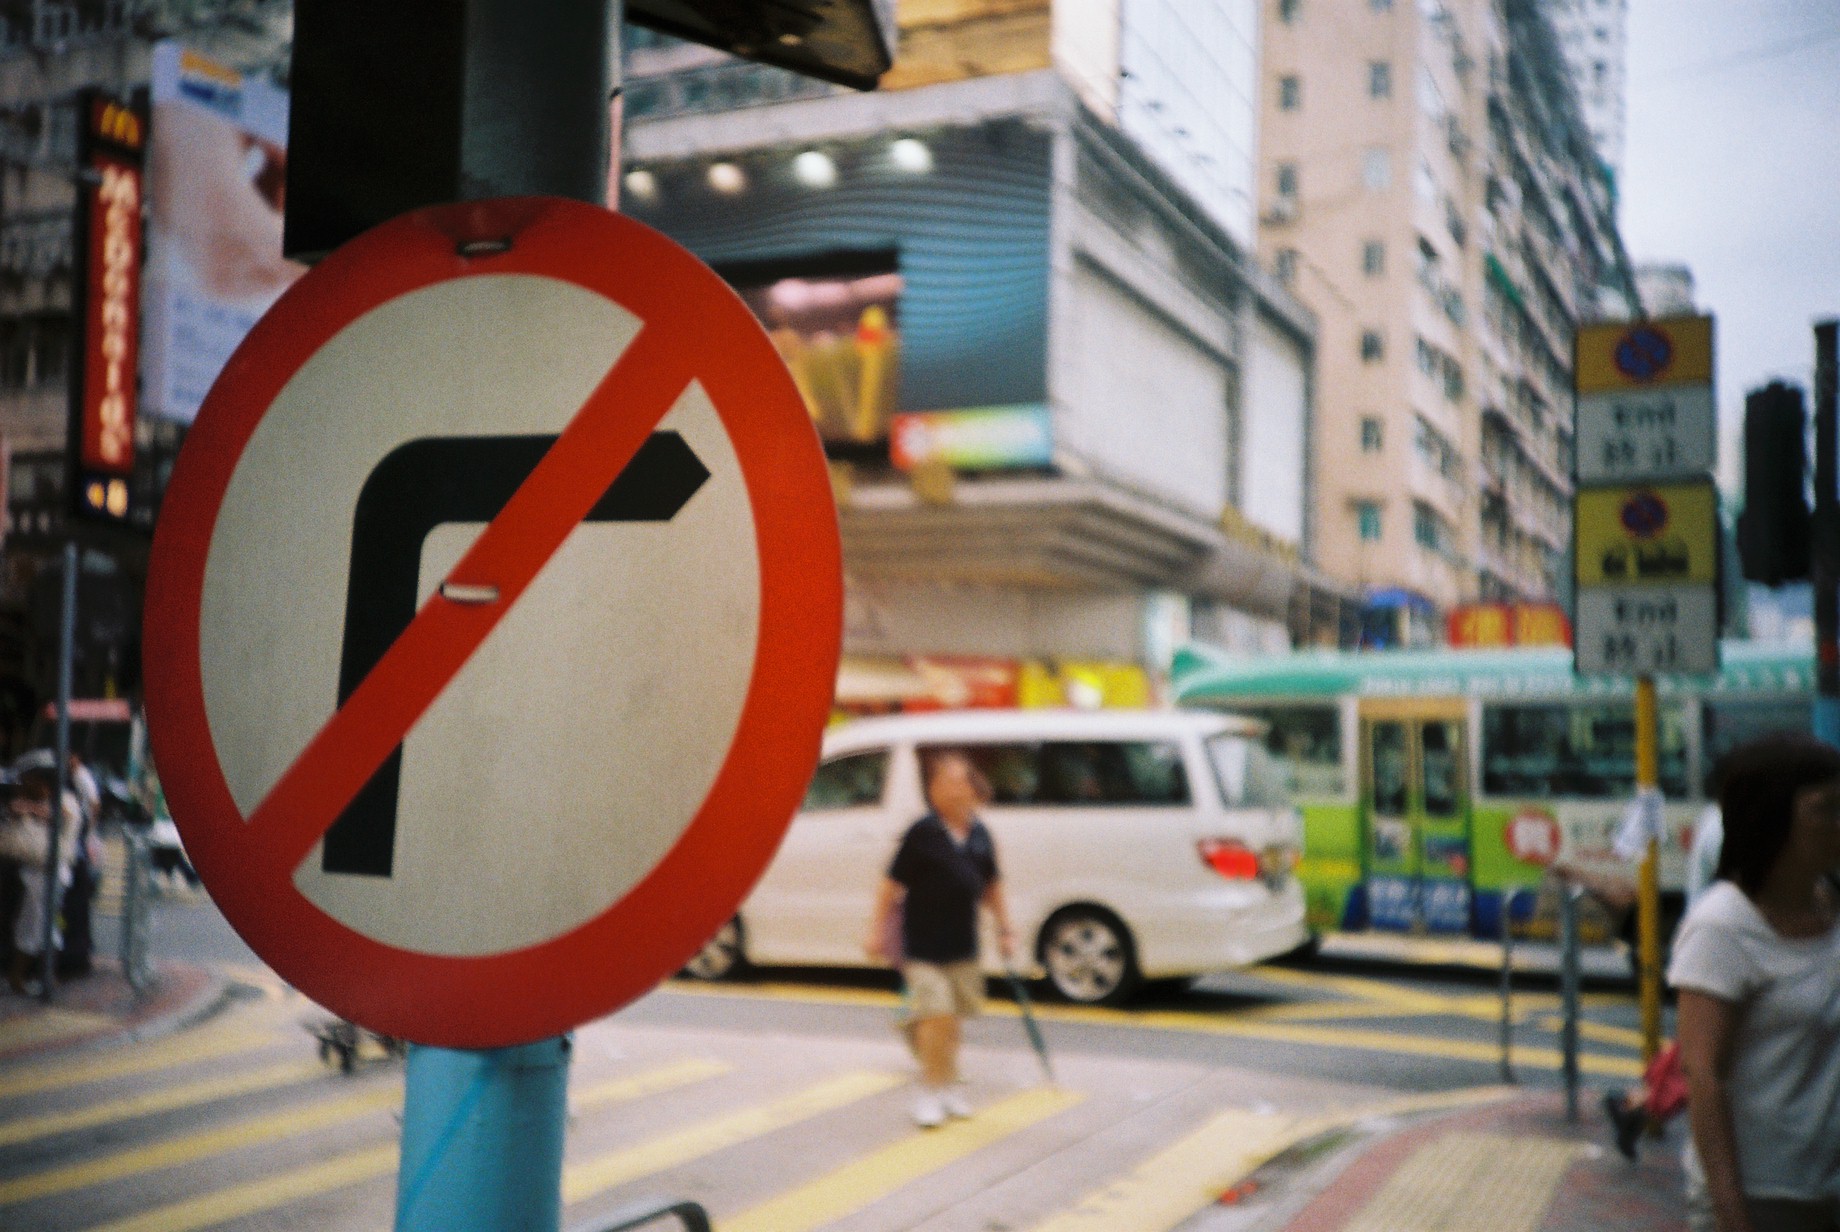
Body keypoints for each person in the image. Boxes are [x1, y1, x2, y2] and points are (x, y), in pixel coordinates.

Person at [1670, 734, 1840, 1232]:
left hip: (1826, 1196)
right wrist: (1733, 1216)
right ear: (1773, 817)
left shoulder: (1831, 906)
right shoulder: (1722, 926)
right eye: (1825, 809)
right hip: (1758, 1202)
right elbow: (1704, 1078)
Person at [866, 752, 1015, 1128]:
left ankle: (946, 1084)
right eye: (943, 782)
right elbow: (890, 884)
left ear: (971, 787)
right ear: (933, 790)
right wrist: (875, 930)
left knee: (953, 1021)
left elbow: (992, 886)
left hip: (963, 943)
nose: (950, 789)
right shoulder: (922, 833)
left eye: (957, 781)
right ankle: (930, 1093)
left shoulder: (980, 834)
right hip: (923, 944)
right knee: (939, 1014)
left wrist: (1005, 928)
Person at [2, 756, 82, 995]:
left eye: (31, 781)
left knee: (34, 925)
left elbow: (63, 816)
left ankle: (21, 974)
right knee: (42, 925)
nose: (27, 786)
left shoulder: (64, 802)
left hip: (48, 874)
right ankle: (43, 974)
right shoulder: (42, 802)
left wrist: (31, 809)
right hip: (38, 872)